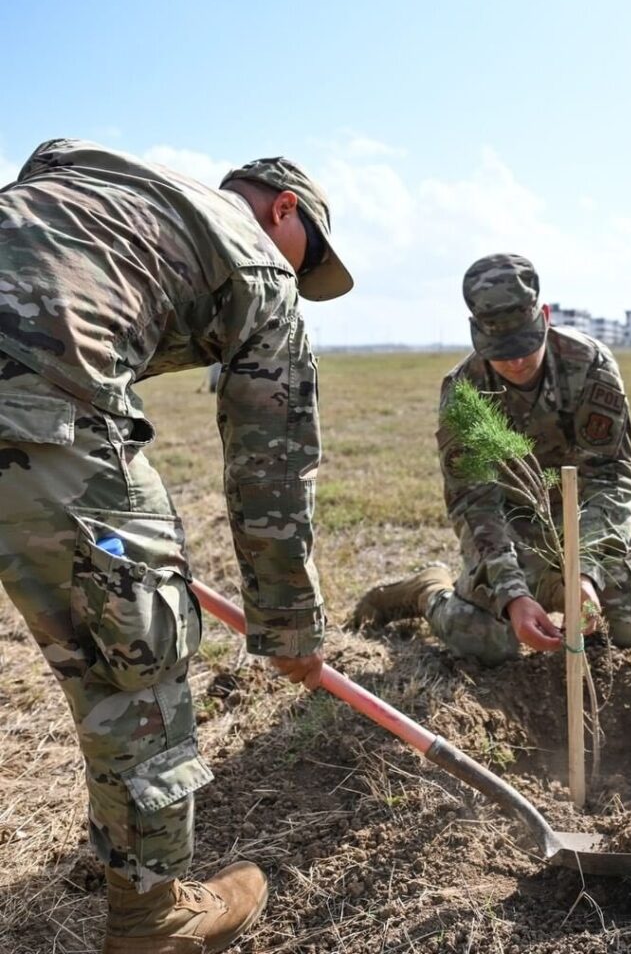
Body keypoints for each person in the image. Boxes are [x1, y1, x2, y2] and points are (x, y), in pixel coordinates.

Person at [0, 139, 352, 952]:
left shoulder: (99, 171)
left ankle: (127, 855)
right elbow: (272, 472)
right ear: (284, 211)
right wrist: (291, 629)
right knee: (139, 660)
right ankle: (153, 917)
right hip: (38, 409)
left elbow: (44, 165)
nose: (302, 279)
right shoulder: (261, 266)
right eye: (311, 258)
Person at [353, 253, 631, 666]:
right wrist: (512, 594)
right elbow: (474, 502)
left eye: (524, 345)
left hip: (581, 524)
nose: (515, 362)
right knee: (489, 643)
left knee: (629, 626)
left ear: (545, 317)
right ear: (476, 333)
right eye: (500, 350)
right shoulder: (465, 391)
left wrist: (586, 573)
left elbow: (612, 477)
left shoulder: (589, 366)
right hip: (513, 533)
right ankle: (427, 590)